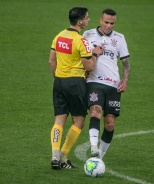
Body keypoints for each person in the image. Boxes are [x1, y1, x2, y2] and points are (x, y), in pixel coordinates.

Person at [48, 7, 104, 170]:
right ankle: (64, 157)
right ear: (80, 21)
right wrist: (95, 53)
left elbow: (51, 61)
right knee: (78, 120)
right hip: (75, 84)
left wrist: (59, 76)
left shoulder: (58, 36)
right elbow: (90, 66)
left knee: (59, 120)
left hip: (59, 81)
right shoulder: (81, 41)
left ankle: (54, 155)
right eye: (87, 18)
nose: (89, 20)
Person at [82, 8, 130, 159]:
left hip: (113, 84)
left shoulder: (120, 38)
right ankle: (94, 146)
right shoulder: (88, 35)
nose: (109, 25)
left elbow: (125, 62)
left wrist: (125, 80)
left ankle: (98, 158)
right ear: (100, 20)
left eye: (112, 23)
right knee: (95, 111)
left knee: (110, 124)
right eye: (106, 22)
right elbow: (81, 57)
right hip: (94, 82)